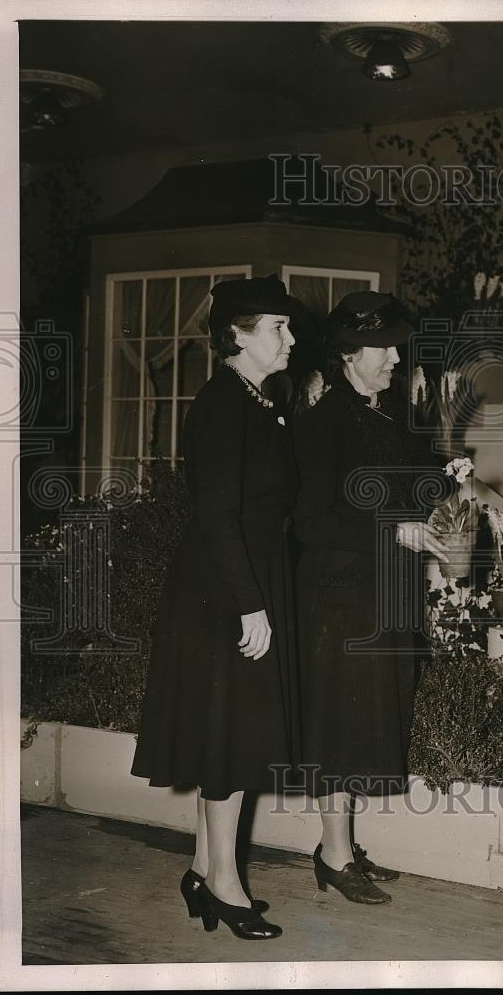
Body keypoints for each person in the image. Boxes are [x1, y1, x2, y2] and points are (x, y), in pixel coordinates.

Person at [131, 274, 305, 940]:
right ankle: (225, 886)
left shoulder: (259, 401)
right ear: (238, 334)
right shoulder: (222, 403)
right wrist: (249, 606)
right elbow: (214, 516)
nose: (290, 338)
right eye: (277, 328)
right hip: (224, 594)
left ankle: (205, 869)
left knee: (231, 736)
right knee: (228, 740)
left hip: (245, 584)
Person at [292, 291, 450, 904]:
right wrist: (396, 529)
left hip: (386, 594)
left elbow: (411, 478)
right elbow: (311, 521)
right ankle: (333, 856)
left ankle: (343, 846)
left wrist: (444, 473)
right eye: (383, 347)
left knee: (368, 721)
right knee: (339, 724)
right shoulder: (323, 423)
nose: (394, 357)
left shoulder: (386, 414)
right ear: (348, 354)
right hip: (339, 600)